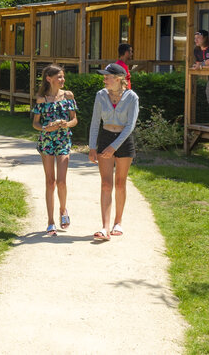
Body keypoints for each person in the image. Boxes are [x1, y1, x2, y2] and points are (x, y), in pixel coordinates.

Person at [87, 65, 139, 241]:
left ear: (118, 78)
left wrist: (114, 147)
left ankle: (118, 222)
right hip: (105, 137)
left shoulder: (132, 98)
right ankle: (105, 227)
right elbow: (95, 123)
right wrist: (92, 147)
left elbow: (130, 126)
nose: (104, 79)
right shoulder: (100, 95)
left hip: (124, 141)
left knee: (120, 183)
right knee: (105, 184)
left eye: (107, 76)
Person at [31, 64, 78, 234]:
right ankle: (50, 221)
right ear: (49, 79)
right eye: (59, 77)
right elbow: (35, 123)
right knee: (50, 182)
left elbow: (74, 120)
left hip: (63, 140)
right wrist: (45, 128)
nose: (62, 80)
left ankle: (63, 210)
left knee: (61, 181)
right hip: (47, 142)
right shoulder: (41, 99)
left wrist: (67, 124)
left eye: (63, 76)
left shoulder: (68, 96)